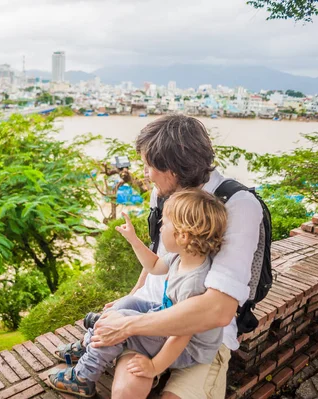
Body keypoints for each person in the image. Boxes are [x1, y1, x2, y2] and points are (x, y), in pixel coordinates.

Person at [55, 115, 264, 398]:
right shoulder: (165, 194)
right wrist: (130, 299)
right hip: (151, 312)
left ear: (174, 170)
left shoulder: (236, 206)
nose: (147, 174)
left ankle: (100, 350)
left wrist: (126, 325)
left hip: (201, 334)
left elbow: (218, 310)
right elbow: (159, 256)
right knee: (125, 391)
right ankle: (95, 345)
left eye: (150, 167)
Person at [47, 189, 228, 398]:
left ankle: (83, 377)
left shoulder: (194, 283)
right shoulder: (181, 258)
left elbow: (181, 335)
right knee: (128, 303)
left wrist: (153, 366)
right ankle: (90, 342)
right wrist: (133, 239)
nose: (160, 227)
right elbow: (153, 265)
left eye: (165, 223)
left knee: (123, 323)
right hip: (166, 317)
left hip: (188, 350)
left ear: (183, 235)